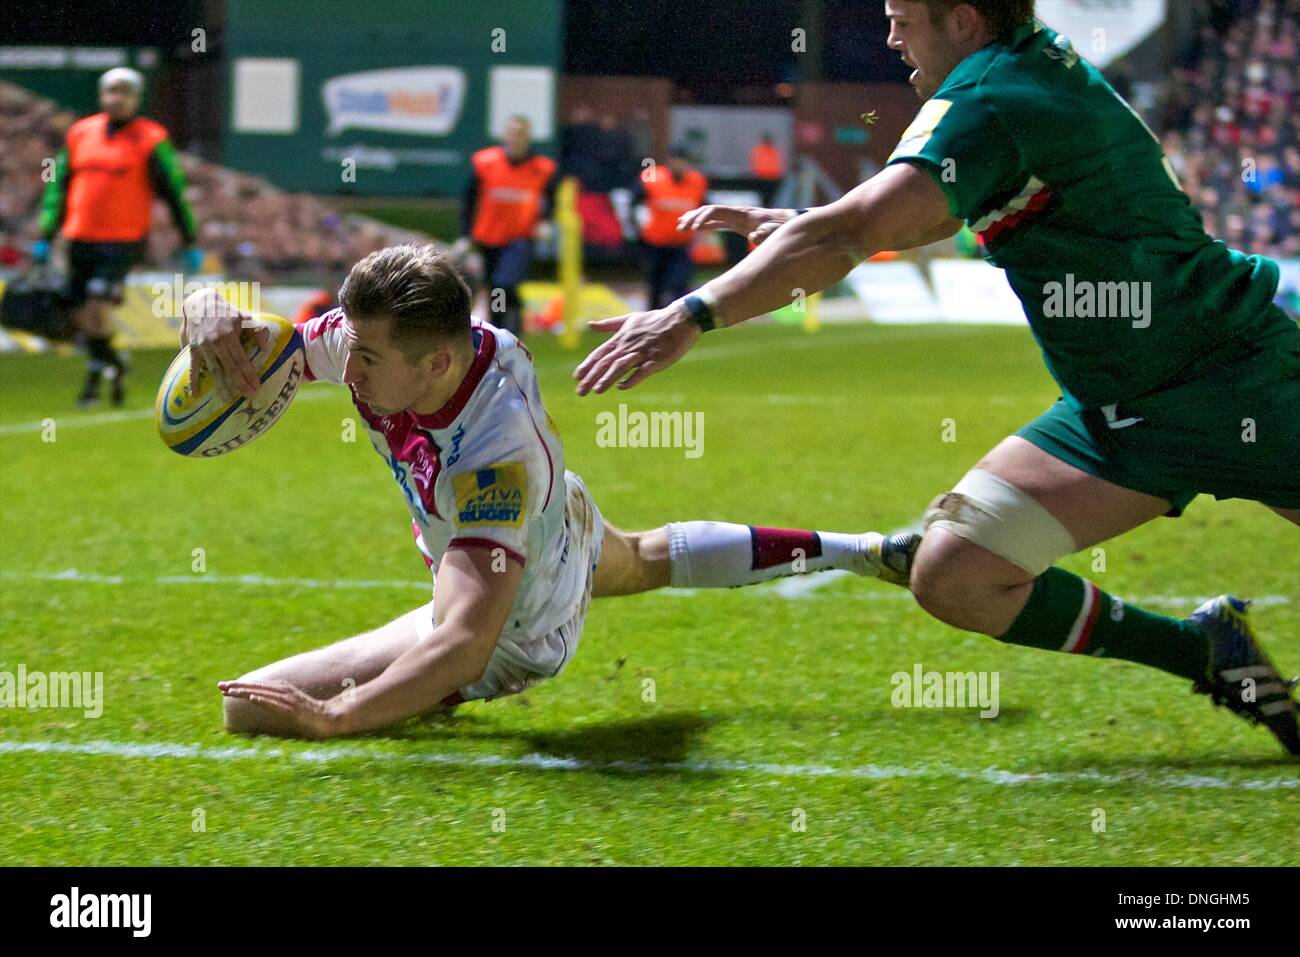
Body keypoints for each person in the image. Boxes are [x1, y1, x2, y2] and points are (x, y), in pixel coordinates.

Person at [572, 0, 1300, 754]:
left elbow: (863, 231)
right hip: (1117, 411)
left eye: (902, 18)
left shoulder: (988, 95)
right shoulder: (1018, 73)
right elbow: (923, 211)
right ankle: (1206, 650)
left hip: (1233, 378)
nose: (890, 38)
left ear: (960, 18)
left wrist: (691, 313)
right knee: (956, 573)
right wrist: (813, 223)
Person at [185, 245, 906, 739]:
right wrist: (202, 305)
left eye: (365, 358)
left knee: (247, 710)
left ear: (437, 361)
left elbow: (468, 638)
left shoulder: (492, 457)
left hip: (522, 622)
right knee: (650, 558)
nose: (348, 371)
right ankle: (866, 549)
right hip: (564, 517)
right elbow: (269, 345)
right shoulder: (395, 343)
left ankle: (409, 696)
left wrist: (336, 717)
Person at [36, 67, 202, 407]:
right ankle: (112, 361)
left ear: (136, 98)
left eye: (125, 92)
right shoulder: (81, 133)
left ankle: (95, 379)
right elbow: (59, 186)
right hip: (79, 237)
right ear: (102, 95)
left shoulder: (152, 139)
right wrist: (46, 232)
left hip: (123, 241)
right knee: (80, 313)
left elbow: (174, 190)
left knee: (97, 304)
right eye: (112, 91)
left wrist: (189, 239)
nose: (117, 98)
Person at [454, 115, 556, 338]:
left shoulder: (542, 168)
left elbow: (551, 198)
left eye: (521, 133)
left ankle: (514, 325)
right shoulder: (485, 163)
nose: (516, 138)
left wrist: (546, 221)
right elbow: (469, 200)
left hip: (520, 236)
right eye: (512, 132)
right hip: (489, 236)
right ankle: (500, 332)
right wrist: (465, 233)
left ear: (528, 137)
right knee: (494, 287)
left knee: (504, 282)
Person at [626, 145, 709, 310]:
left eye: (684, 162)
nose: (680, 166)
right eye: (677, 161)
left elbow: (704, 207)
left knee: (679, 284)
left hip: (681, 244)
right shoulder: (652, 178)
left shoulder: (697, 181)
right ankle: (652, 322)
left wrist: (702, 233)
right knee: (655, 287)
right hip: (656, 243)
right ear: (669, 162)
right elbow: (633, 202)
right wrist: (636, 228)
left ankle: (678, 320)